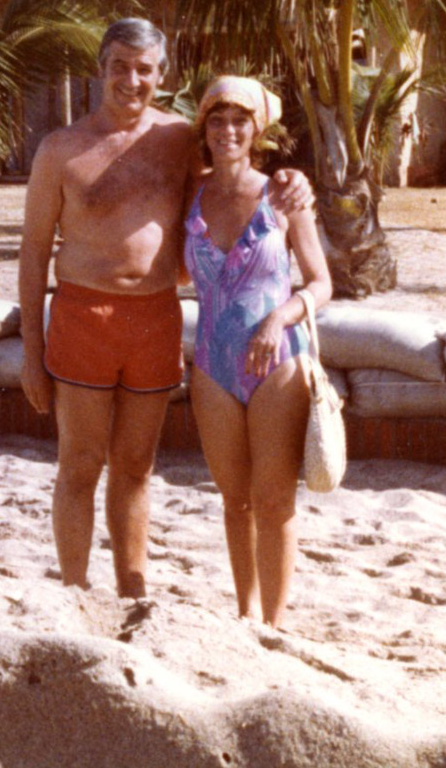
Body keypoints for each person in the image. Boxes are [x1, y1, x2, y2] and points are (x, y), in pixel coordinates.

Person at [18, 19, 312, 599]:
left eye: (145, 70)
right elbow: (32, 254)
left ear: (161, 75)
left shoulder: (179, 139)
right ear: (100, 69)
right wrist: (32, 350)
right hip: (83, 316)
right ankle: (74, 594)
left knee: (135, 467)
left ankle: (132, 593)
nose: (132, 80)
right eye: (120, 67)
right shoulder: (60, 150)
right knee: (80, 464)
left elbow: (232, 182)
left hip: (155, 317)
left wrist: (292, 179)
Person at [184, 75, 332, 628]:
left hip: (278, 363)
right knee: (234, 501)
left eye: (240, 121)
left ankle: (275, 623)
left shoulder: (283, 195)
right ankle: (245, 616)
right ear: (204, 128)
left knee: (274, 501)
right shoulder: (189, 193)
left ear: (257, 130)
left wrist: (279, 317)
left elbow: (321, 282)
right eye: (217, 120)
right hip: (212, 365)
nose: (228, 131)